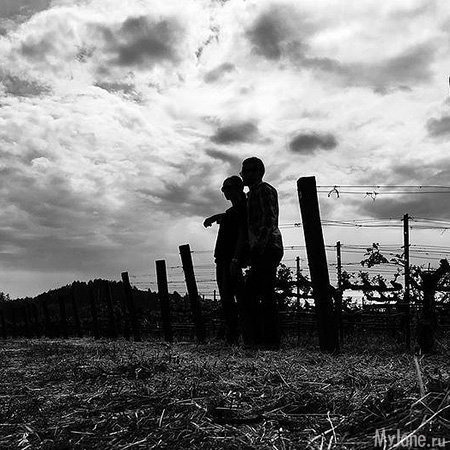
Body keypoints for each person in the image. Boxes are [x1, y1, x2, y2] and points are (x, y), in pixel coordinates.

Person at [240, 157, 283, 350]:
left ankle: (269, 341)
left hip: (267, 248)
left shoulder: (264, 190)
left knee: (262, 294)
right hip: (262, 248)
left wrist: (258, 247)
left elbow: (268, 220)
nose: (244, 175)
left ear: (258, 172)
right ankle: (263, 339)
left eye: (247, 171)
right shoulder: (251, 194)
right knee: (258, 293)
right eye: (243, 171)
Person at [203, 176, 248, 345]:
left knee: (232, 298)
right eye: (223, 189)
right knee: (229, 297)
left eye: (226, 188)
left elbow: (242, 234)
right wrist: (216, 217)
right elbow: (231, 217)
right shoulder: (234, 210)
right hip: (224, 258)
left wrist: (235, 259)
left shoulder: (243, 208)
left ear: (237, 188)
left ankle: (237, 336)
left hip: (230, 259)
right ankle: (235, 335)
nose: (224, 192)